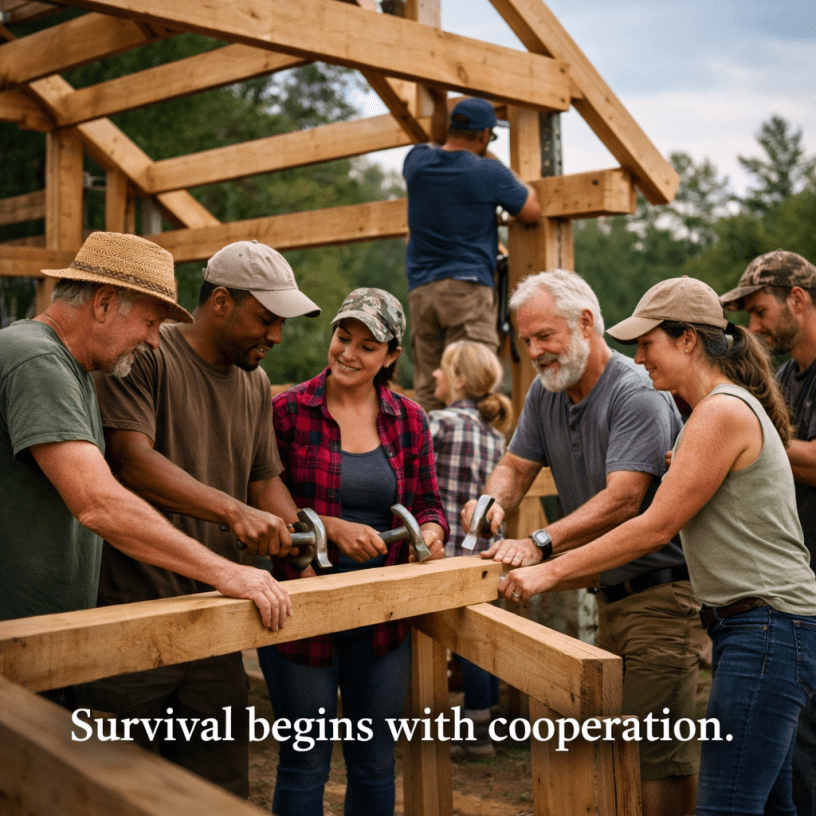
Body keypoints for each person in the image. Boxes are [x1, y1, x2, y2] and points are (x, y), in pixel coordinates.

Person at [499, 275, 816, 816]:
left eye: (648, 343)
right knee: (774, 807)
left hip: (766, 630)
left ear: (688, 339)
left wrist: (547, 568)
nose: (639, 358)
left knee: (725, 805)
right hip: (763, 627)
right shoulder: (709, 414)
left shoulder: (718, 412)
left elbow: (653, 528)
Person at [79, 239, 319, 796]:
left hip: (217, 617)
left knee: (217, 791)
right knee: (112, 789)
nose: (277, 336)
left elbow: (264, 481)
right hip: (132, 614)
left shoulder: (255, 383)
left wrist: (308, 542)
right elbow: (131, 460)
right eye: (266, 318)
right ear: (219, 303)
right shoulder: (146, 351)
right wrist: (234, 511)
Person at [462, 269, 704, 816]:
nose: (534, 351)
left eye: (544, 336)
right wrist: (492, 501)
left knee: (656, 758)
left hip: (662, 598)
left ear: (586, 324)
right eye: (526, 341)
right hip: (609, 597)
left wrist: (542, 542)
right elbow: (515, 465)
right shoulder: (546, 393)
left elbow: (624, 499)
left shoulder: (634, 390)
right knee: (613, 753)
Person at [0, 231, 291, 632]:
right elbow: (98, 503)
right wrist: (227, 573)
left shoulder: (74, 370)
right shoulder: (37, 358)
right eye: (150, 322)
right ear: (103, 304)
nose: (155, 341)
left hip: (43, 628)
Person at [256, 288, 448, 816]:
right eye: (344, 337)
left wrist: (430, 532)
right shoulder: (287, 411)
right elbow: (264, 504)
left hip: (381, 615)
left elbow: (428, 503)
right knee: (304, 760)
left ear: (390, 357)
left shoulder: (408, 419)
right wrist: (331, 528)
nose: (349, 352)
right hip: (302, 609)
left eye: (368, 345)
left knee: (373, 760)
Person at [720, 249, 816, 816]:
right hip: (798, 572)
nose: (753, 327)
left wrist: (734, 442)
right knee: (793, 731)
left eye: (758, 311)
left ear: (797, 300)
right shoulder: (784, 377)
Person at [403, 95, 541, 411]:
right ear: (484, 135)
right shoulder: (488, 172)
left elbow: (436, 141)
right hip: (467, 289)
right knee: (471, 383)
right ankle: (469, 459)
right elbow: (531, 209)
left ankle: (428, 457)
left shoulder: (416, 162)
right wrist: (494, 161)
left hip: (422, 292)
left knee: (429, 387)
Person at [427, 340, 512, 757]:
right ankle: (487, 715)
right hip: (488, 552)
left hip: (452, 553)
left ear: (459, 380)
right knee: (483, 638)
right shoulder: (495, 435)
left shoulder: (439, 423)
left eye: (441, 369)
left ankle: (477, 734)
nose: (434, 376)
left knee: (464, 642)